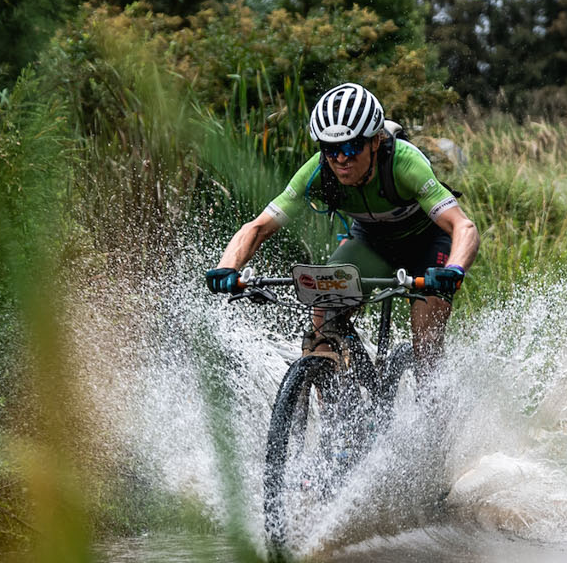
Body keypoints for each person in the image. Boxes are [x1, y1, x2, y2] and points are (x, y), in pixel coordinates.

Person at [204, 82, 479, 371]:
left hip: (427, 242)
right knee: (322, 321)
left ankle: (435, 410)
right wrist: (228, 267)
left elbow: (463, 227)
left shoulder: (404, 164)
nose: (342, 158)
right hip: (371, 243)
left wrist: (454, 270)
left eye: (352, 146)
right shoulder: (317, 172)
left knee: (426, 339)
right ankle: (330, 402)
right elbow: (259, 227)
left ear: (375, 141)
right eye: (331, 149)